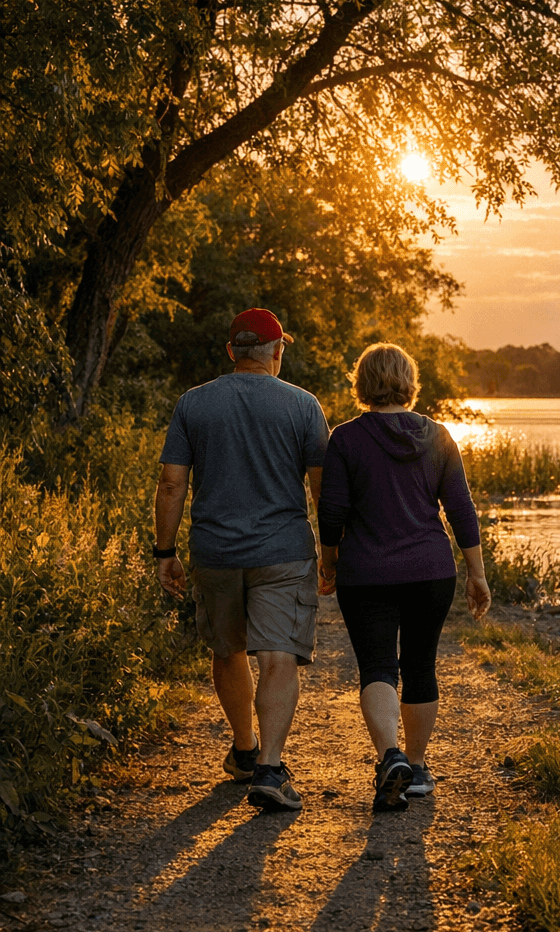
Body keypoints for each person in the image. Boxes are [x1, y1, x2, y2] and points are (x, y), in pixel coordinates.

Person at [154, 308, 329, 812]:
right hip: (283, 553)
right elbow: (322, 489)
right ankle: (271, 770)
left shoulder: (194, 403)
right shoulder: (303, 405)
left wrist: (164, 552)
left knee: (227, 648)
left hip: (215, 552)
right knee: (279, 656)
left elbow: (171, 483)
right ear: (277, 352)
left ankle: (247, 749)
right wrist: (332, 554)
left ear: (232, 351)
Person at [317, 343, 492, 812]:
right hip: (430, 571)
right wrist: (477, 574)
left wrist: (327, 562)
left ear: (362, 383)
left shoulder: (346, 439)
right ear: (409, 383)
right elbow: (461, 510)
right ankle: (415, 767)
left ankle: (389, 756)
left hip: (366, 572)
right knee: (420, 666)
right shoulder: (439, 437)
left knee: (377, 667)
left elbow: (331, 511)